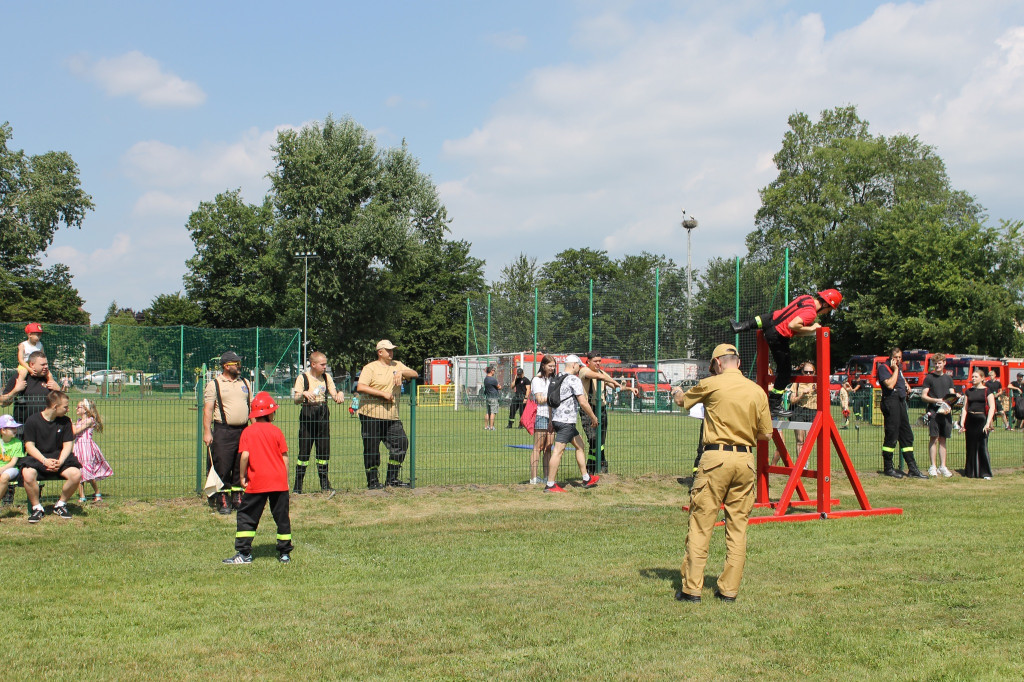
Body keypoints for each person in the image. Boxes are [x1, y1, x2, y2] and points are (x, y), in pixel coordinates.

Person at [670, 343, 772, 604]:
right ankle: (729, 591)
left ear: (717, 363)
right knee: (737, 528)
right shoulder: (757, 390)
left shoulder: (711, 384)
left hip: (715, 459)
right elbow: (765, 434)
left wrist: (676, 391)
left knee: (701, 524)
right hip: (745, 461)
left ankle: (692, 589)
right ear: (738, 362)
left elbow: (682, 402)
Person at [730, 289, 842, 417]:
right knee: (784, 373)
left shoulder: (806, 298)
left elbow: (792, 324)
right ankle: (774, 404)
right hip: (778, 337)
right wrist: (812, 328)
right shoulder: (811, 313)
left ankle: (741, 326)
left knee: (768, 316)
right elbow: (792, 325)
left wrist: (809, 331)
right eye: (830, 309)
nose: (827, 312)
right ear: (826, 304)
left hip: (769, 324)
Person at [223, 392, 294, 564]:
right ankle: (284, 553)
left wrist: (242, 476)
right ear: (269, 414)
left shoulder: (248, 432)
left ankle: (244, 553)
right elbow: (284, 457)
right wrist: (285, 479)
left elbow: (245, 456)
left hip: (257, 481)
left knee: (247, 515)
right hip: (278, 481)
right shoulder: (277, 431)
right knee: (282, 517)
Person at [356, 340, 419, 489]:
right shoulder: (370, 368)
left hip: (391, 416)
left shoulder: (397, 365)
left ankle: (392, 479)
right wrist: (382, 394)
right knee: (372, 449)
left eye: (392, 350)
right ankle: (372, 482)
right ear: (380, 352)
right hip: (371, 415)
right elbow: (361, 387)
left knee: (401, 443)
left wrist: (402, 372)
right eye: (388, 350)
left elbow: (415, 374)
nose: (391, 352)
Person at [203, 351, 252, 514]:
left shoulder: (245, 382)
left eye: (239, 363)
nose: (239, 366)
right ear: (226, 366)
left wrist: (256, 429)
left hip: (244, 430)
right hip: (223, 430)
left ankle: (238, 496)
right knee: (222, 465)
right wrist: (207, 432)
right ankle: (222, 498)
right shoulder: (215, 384)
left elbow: (251, 406)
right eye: (236, 364)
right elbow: (208, 410)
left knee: (241, 464)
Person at [543, 355, 600, 493]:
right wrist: (593, 417)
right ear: (574, 364)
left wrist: (551, 420)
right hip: (566, 422)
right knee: (558, 451)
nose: (579, 368)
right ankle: (550, 485)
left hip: (557, 419)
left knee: (580, 445)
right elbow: (583, 402)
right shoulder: (574, 379)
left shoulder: (556, 378)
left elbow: (550, 401)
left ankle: (586, 478)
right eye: (579, 366)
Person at [21, 390, 81, 522]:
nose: (68, 409)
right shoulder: (32, 420)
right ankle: (37, 508)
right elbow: (29, 446)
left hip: (60, 459)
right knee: (28, 474)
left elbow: (68, 445)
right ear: (55, 407)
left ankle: (60, 505)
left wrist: (60, 461)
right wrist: (44, 461)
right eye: (65, 407)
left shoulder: (65, 421)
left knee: (76, 474)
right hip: (38, 458)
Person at [291, 351, 345, 494]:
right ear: (313, 364)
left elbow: (334, 394)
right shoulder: (303, 378)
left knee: (323, 452)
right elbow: (295, 400)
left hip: (323, 415)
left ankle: (325, 485)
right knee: (304, 453)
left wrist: (339, 394)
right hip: (308, 416)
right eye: (322, 364)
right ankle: (298, 487)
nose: (325, 367)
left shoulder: (327, 377)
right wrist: (303, 394)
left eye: (325, 364)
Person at [578, 356, 640, 475]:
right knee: (593, 439)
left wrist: (629, 388)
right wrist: (612, 381)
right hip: (588, 410)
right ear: (588, 361)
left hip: (601, 410)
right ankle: (601, 464)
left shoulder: (602, 373)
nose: (598, 363)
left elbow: (616, 387)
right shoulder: (584, 371)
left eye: (599, 361)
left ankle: (592, 468)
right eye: (595, 361)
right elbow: (600, 377)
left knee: (600, 442)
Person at [877, 347, 927, 479]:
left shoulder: (898, 369)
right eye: (896, 357)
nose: (898, 360)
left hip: (900, 401)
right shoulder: (883, 368)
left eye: (900, 357)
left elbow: (900, 379)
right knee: (892, 434)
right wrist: (895, 370)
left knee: (907, 435)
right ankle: (888, 468)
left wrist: (906, 385)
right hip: (890, 401)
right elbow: (889, 385)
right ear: (890, 357)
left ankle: (912, 468)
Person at [1, 351, 60, 427]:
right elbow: (3, 402)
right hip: (23, 426)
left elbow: (62, 403)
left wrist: (58, 390)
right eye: (42, 364)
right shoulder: (20, 377)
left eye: (46, 364)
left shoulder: (49, 379)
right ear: (32, 364)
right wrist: (15, 390)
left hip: (46, 426)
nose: (46, 367)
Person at [920, 354, 957, 478]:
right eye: (935, 363)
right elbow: (924, 396)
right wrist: (937, 400)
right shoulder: (929, 378)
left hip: (946, 412)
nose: (937, 365)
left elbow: (952, 394)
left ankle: (943, 466)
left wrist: (951, 402)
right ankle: (933, 466)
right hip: (934, 412)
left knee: (943, 439)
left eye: (939, 363)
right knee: (934, 438)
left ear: (944, 363)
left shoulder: (948, 378)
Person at [73, 398, 112, 502]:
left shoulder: (90, 420)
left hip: (86, 448)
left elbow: (76, 431)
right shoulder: (79, 421)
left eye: (78, 407)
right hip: (78, 447)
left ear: (85, 409)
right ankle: (82, 496)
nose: (76, 408)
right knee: (78, 471)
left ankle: (97, 493)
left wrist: (70, 424)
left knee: (87, 472)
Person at [960, 368, 995, 479]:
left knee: (982, 446)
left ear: (982, 378)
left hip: (982, 420)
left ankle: (985, 473)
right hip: (970, 420)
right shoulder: (968, 391)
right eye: (973, 376)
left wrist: (987, 423)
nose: (973, 378)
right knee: (970, 446)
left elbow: (992, 407)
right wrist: (962, 423)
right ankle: (970, 472)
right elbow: (965, 408)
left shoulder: (987, 391)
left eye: (976, 377)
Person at [529, 356, 556, 485]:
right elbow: (539, 399)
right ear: (543, 365)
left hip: (553, 416)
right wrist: (552, 397)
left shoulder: (553, 380)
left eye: (554, 366)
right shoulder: (537, 380)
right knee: (538, 447)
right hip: (541, 415)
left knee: (548, 447)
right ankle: (534, 477)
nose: (552, 368)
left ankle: (547, 476)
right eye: (550, 366)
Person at [783, 361, 817, 465]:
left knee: (808, 441)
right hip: (799, 411)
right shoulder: (797, 383)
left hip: (812, 411)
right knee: (800, 440)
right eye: (806, 372)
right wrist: (802, 395)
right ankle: (802, 464)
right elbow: (792, 400)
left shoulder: (817, 383)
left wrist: (818, 390)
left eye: (811, 372)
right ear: (802, 372)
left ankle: (805, 461)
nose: (808, 374)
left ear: (814, 372)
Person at [0, 415, 25, 509]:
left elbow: (13, 463)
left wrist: (1, 469)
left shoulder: (17, 443)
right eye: (12, 428)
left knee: (4, 477)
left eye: (15, 428)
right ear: (3, 430)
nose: (15, 430)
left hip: (11, 469)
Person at [483, 366, 501, 431]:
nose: (494, 372)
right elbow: (499, 387)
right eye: (493, 370)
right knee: (493, 412)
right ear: (491, 371)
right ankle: (491, 427)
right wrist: (499, 387)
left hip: (488, 397)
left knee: (488, 412)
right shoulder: (493, 379)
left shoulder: (485, 379)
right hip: (493, 397)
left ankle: (486, 426)